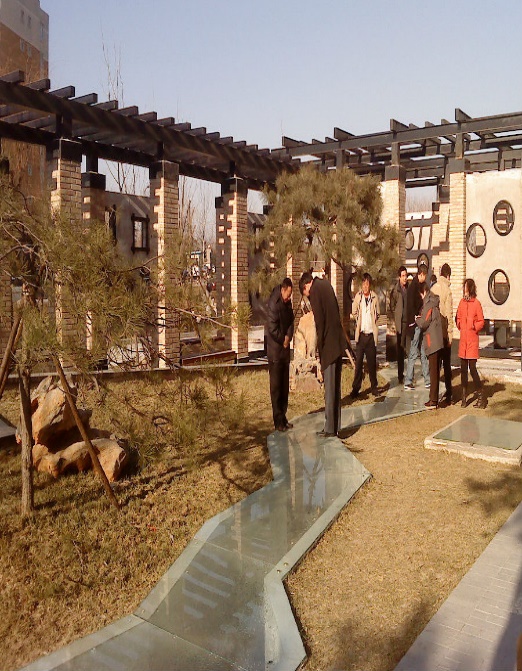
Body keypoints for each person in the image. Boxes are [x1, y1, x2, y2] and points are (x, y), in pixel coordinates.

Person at [299, 271, 347, 437]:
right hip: (337, 342)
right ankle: (335, 426)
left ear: (306, 286)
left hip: (329, 346)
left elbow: (319, 322)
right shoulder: (326, 284)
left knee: (330, 388)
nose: (308, 297)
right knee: (336, 388)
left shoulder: (315, 291)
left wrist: (318, 349)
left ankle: (330, 429)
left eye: (306, 294)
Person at [266, 277, 295, 432]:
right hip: (275, 352)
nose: (289, 298)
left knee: (284, 387)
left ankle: (283, 417)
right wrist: (282, 339)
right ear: (283, 290)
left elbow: (291, 322)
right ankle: (278, 421)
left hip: (285, 350)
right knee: (276, 388)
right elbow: (272, 327)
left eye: (290, 295)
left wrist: (288, 336)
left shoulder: (287, 303)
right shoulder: (273, 303)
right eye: (288, 294)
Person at [456, 278, 486, 408]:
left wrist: (474, 326)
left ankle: (481, 396)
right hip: (463, 340)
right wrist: (459, 324)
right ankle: (463, 397)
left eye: (466, 287)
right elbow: (458, 317)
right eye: (464, 287)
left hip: (472, 340)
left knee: (472, 369)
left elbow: (481, 321)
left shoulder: (477, 304)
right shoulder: (461, 302)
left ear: (471, 289)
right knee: (463, 369)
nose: (465, 290)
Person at [351, 273, 379, 397]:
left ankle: (374, 387)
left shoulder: (374, 297)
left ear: (370, 285)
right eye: (363, 284)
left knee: (372, 364)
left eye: (367, 284)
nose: (365, 286)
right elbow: (353, 311)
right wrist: (358, 319)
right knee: (358, 364)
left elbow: (378, 313)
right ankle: (355, 388)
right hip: (361, 336)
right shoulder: (358, 297)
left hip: (371, 336)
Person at [415, 284, 444, 408]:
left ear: (423, 292)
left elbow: (424, 323)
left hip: (432, 342)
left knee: (433, 373)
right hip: (438, 340)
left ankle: (433, 400)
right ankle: (434, 398)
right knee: (436, 372)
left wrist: (416, 319)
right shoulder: (434, 302)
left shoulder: (428, 305)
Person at [404, 263, 430, 390]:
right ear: (421, 274)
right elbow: (411, 307)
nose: (425, 279)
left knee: (423, 352)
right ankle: (408, 380)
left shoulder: (418, 286)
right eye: (425, 276)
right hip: (415, 325)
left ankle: (427, 379)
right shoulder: (413, 288)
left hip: (418, 324)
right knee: (414, 352)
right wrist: (415, 319)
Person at [431, 263, 453, 405]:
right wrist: (450, 334)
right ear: (448, 275)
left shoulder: (433, 288)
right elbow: (449, 314)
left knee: (435, 365)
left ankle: (434, 396)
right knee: (446, 364)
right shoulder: (447, 291)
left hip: (433, 331)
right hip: (443, 330)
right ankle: (449, 394)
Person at [389, 265, 408, 384]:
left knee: (409, 350)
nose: (405, 278)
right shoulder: (395, 291)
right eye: (403, 276)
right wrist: (395, 319)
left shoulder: (409, 289)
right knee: (400, 350)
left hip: (409, 323)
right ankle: (400, 375)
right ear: (399, 277)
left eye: (406, 275)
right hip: (400, 324)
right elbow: (392, 306)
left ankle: (409, 375)